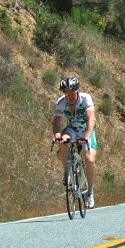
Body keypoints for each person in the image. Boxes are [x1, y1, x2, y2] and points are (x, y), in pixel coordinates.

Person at [52, 77, 97, 208]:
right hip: (72, 130)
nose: (70, 96)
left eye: (72, 93)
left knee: (89, 160)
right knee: (62, 140)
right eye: (67, 94)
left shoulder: (85, 99)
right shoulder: (61, 102)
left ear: (77, 92)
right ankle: (67, 171)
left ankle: (90, 192)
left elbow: (91, 119)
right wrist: (57, 135)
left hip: (86, 131)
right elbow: (57, 123)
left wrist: (86, 138)